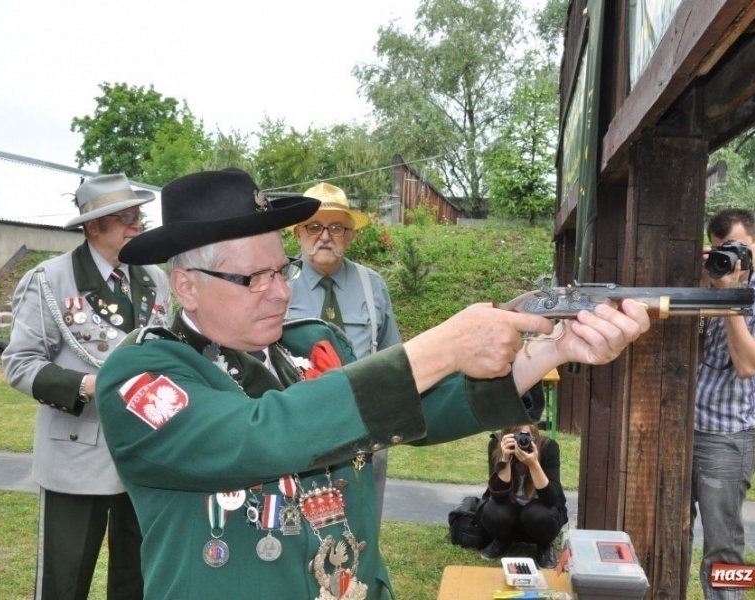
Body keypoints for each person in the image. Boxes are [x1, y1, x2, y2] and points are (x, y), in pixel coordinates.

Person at [93, 167, 651, 599]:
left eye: (281, 269)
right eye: (253, 279)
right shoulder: (142, 375)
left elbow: (411, 413)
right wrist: (438, 347)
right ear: (186, 287)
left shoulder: (306, 345)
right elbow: (263, 435)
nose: (282, 292)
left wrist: (551, 349)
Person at [2, 173, 172, 600]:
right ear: (94, 226)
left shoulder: (156, 279)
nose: (138, 225)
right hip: (76, 454)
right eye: (126, 218)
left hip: (144, 454)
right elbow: (20, 364)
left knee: (137, 581)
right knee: (65, 582)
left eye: (139, 216)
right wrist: (91, 385)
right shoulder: (50, 279)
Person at [689, 208, 755, 599]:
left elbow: (749, 364)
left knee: (724, 548)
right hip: (682, 427)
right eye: (719, 250)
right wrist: (702, 282)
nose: (728, 258)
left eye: (736, 249)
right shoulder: (704, 284)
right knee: (670, 529)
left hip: (727, 438)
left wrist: (731, 297)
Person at [288, 182, 401, 526]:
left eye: (336, 227)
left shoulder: (372, 285)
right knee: (298, 526)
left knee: (363, 520)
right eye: (314, 226)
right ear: (298, 234)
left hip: (362, 425)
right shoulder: (276, 283)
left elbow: (392, 357)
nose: (325, 236)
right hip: (296, 422)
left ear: (350, 236)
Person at [478, 425, 567, 570]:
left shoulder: (548, 447)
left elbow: (551, 500)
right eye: (516, 436)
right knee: (493, 511)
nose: (521, 441)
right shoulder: (496, 445)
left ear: (534, 436)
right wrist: (504, 459)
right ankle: (502, 539)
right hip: (511, 514)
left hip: (538, 515)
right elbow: (498, 497)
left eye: (526, 436)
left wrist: (533, 464)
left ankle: (544, 546)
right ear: (506, 435)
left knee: (539, 515)